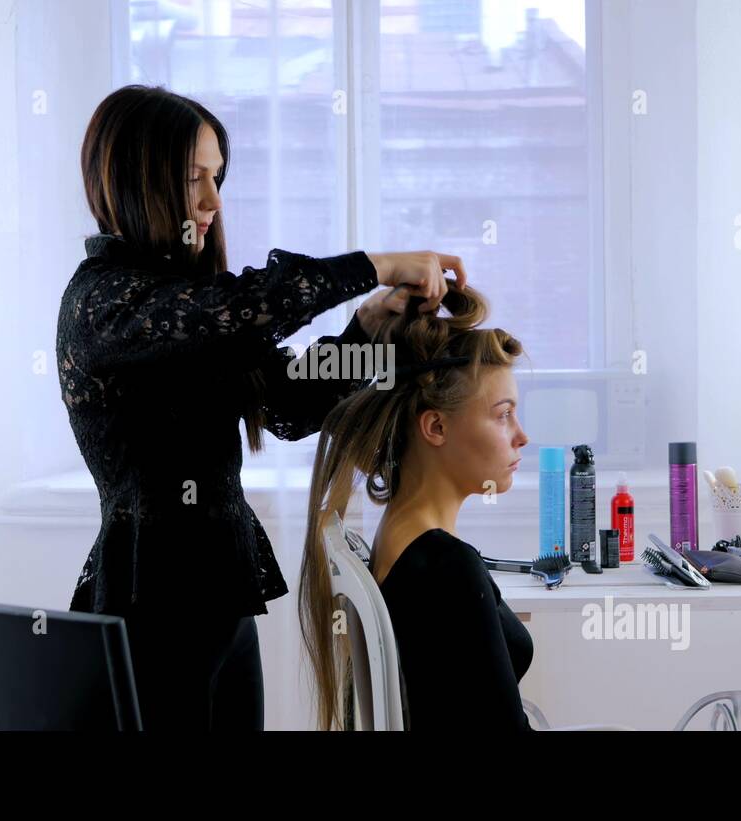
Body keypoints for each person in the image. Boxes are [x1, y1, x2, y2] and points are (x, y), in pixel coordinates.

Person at [56, 84, 466, 730]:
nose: (213, 201)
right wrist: (379, 263)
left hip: (223, 604)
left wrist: (366, 324)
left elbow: (292, 403)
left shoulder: (195, 307)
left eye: (217, 177)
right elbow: (258, 302)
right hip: (149, 608)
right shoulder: (102, 305)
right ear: (138, 180)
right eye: (194, 178)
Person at [298, 285, 535, 730]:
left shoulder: (403, 543)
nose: (520, 436)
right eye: (503, 414)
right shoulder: (448, 570)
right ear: (436, 426)